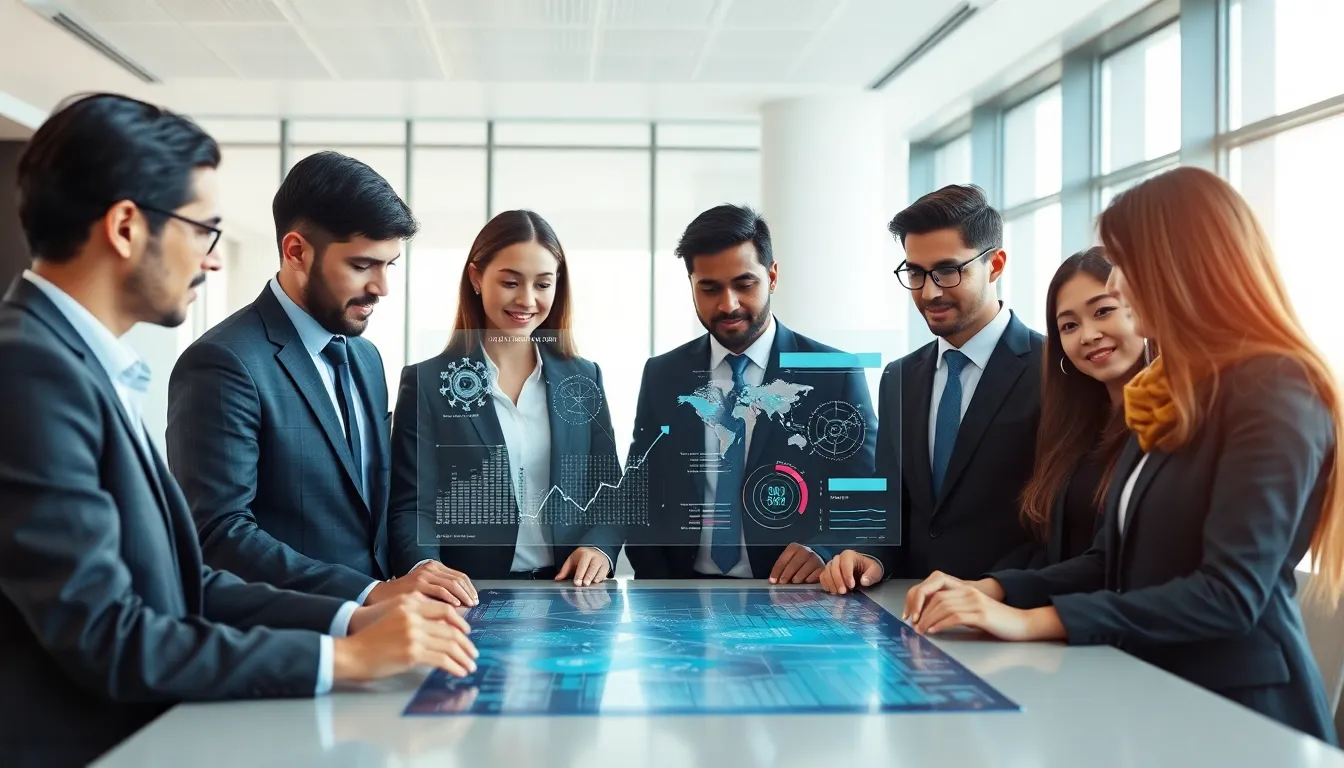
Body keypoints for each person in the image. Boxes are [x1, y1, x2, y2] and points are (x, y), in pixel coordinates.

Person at [0, 93, 478, 768]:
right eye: (203, 229)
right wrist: (341, 655)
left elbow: (181, 581)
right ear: (128, 227)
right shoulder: (28, 369)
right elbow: (111, 633)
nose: (214, 260)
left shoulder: (72, 362)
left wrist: (352, 618)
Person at [902, 167, 1344, 746]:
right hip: (1148, 691)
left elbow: (1229, 594)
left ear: (1187, 265)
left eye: (1130, 274)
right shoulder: (1167, 393)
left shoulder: (1276, 388)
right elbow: (1109, 559)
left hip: (1241, 713)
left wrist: (1033, 621)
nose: (1128, 294)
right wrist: (996, 591)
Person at [166, 151, 477, 607]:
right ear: (296, 251)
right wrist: (368, 593)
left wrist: (415, 569)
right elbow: (218, 534)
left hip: (379, 637)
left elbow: (370, 507)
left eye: (388, 265)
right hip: (285, 645)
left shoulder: (366, 359)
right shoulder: (223, 361)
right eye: (362, 265)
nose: (381, 288)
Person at [624, 204, 876, 582]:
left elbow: (864, 493)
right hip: (680, 597)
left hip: (795, 595)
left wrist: (824, 550)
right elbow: (639, 490)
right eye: (709, 288)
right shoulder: (663, 374)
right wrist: (659, 584)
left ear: (772, 276)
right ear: (691, 284)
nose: (728, 304)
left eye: (744, 284)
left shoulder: (833, 373)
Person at [821, 184, 1043, 593]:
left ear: (995, 265)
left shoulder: (1052, 371)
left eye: (947, 271)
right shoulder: (900, 376)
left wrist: (994, 590)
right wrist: (869, 553)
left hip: (1013, 613)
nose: (929, 292)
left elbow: (1060, 524)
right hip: (910, 614)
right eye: (916, 273)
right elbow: (892, 504)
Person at [388, 209, 623, 583]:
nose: (527, 300)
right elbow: (412, 506)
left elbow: (611, 489)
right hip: (469, 595)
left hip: (569, 593)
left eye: (543, 284)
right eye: (511, 282)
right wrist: (423, 567)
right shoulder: (429, 383)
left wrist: (599, 547)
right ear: (476, 278)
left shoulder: (583, 377)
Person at [1017, 246, 1148, 565]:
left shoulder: (1171, 419)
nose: (1088, 335)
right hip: (1059, 608)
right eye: (1069, 326)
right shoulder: (1073, 427)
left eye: (1103, 311)